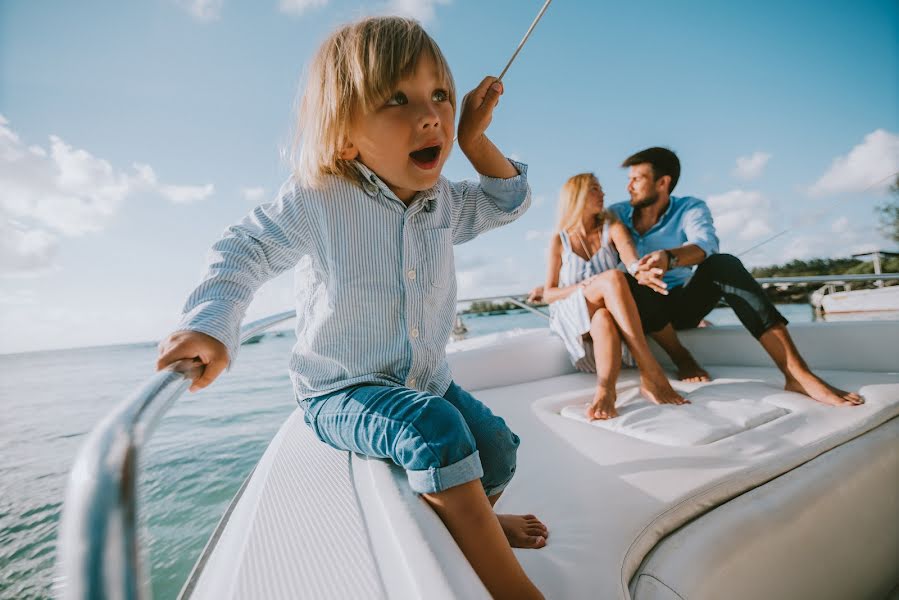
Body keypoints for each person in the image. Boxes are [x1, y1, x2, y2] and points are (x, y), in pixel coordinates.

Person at [155, 17, 545, 599]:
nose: (431, 114)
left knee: (499, 452)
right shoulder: (320, 195)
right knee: (436, 430)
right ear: (344, 136)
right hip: (341, 389)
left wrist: (475, 142)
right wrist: (210, 324)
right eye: (397, 99)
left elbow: (507, 199)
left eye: (439, 94)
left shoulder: (444, 202)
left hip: (425, 379)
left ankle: (477, 525)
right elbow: (246, 249)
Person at [610, 146, 864, 407]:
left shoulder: (689, 208)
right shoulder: (616, 213)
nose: (629, 186)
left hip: (678, 304)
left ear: (662, 182)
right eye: (629, 179)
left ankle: (797, 374)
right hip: (637, 307)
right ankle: (681, 357)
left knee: (723, 264)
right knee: (623, 281)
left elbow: (705, 245)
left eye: (636, 179)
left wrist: (669, 257)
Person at [537, 173, 687, 421]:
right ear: (578, 195)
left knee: (605, 315)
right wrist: (584, 286)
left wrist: (640, 270)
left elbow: (630, 259)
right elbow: (549, 293)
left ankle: (606, 390)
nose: (603, 194)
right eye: (595, 189)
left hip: (603, 317)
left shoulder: (612, 227)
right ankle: (649, 368)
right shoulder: (559, 240)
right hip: (572, 316)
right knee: (612, 279)